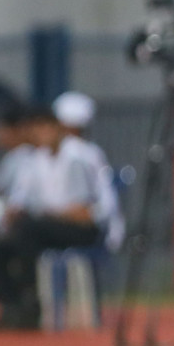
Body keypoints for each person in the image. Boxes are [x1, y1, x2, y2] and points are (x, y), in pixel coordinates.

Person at [0, 106, 105, 328]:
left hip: (80, 230)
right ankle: (16, 306)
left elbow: (84, 212)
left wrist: (46, 214)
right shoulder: (35, 162)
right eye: (35, 130)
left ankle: (32, 298)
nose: (40, 135)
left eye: (44, 129)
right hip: (41, 231)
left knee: (30, 227)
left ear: (57, 129)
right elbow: (21, 203)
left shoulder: (74, 160)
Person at [52, 92, 123, 252]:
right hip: (103, 221)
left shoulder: (72, 152)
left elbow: (79, 204)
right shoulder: (92, 151)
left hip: (89, 223)